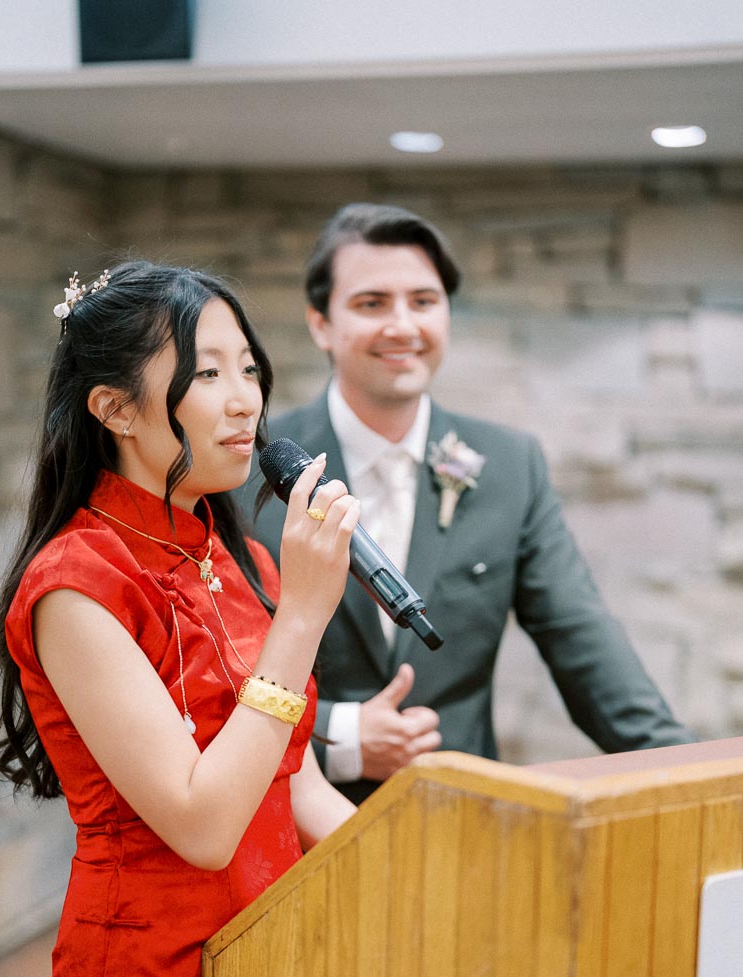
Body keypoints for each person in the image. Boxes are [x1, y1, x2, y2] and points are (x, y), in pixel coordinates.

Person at [0, 261, 359, 977]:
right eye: (207, 373)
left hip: (270, 961)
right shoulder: (76, 582)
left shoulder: (231, 550)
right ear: (113, 408)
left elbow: (295, 783)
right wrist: (302, 622)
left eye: (251, 368)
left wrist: (424, 856)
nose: (245, 398)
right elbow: (198, 821)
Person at [246, 202, 694, 804]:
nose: (402, 326)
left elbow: (584, 644)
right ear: (321, 323)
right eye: (371, 303)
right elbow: (201, 676)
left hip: (464, 826)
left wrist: (695, 780)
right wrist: (340, 731)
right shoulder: (247, 471)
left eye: (424, 302)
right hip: (289, 833)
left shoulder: (509, 466)